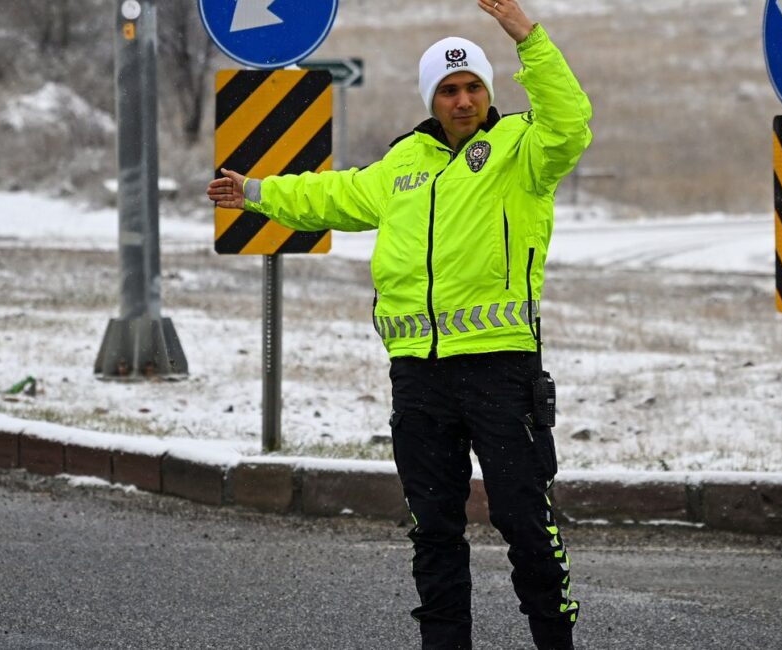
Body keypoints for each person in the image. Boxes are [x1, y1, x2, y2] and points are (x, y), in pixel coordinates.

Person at [207, 1, 591, 647]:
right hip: (419, 380)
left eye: (472, 87)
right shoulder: (402, 165)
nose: (463, 100)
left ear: (487, 92)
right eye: (449, 89)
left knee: (525, 522)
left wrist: (528, 37)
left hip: (501, 371)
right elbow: (329, 196)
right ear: (431, 97)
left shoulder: (524, 150)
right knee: (434, 529)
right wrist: (256, 192)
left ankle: (555, 640)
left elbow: (572, 121)